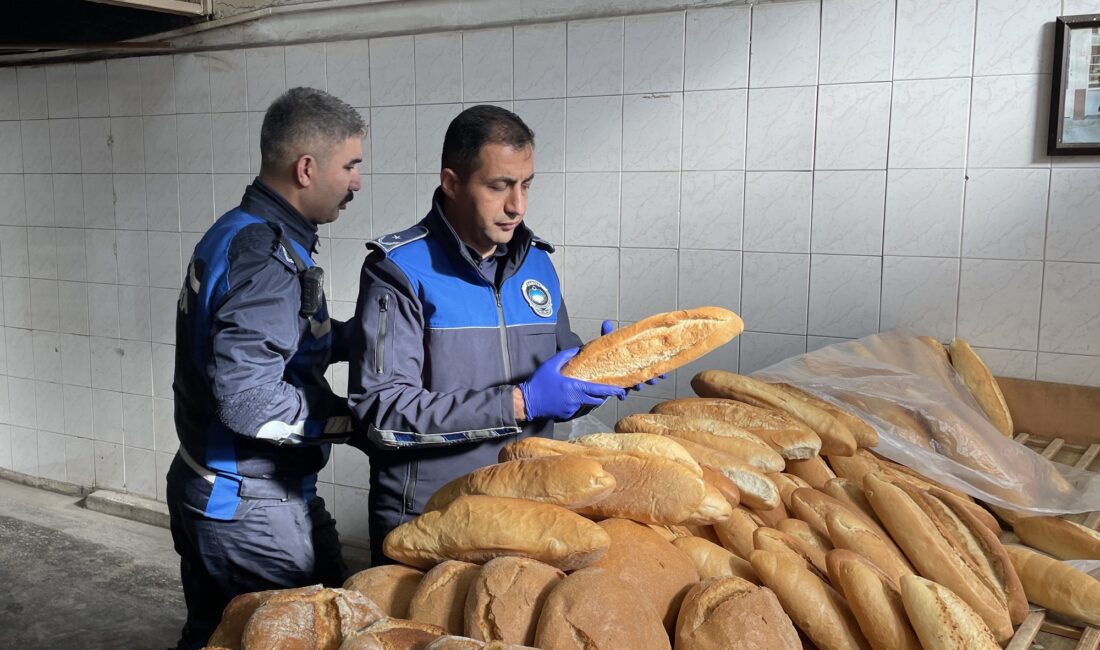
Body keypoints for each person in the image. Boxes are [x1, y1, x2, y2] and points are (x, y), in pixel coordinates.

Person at [347, 105, 652, 566]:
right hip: (432, 520)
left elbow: (556, 384)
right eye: (499, 186)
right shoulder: (399, 270)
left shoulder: (537, 263)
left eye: (526, 184)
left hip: (530, 511)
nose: (518, 206)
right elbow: (384, 413)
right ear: (451, 182)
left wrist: (599, 372)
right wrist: (520, 403)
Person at [166, 87, 365, 649]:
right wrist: (353, 423)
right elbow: (250, 400)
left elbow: (285, 343)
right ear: (307, 168)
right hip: (246, 508)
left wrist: (372, 335)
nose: (356, 181)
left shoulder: (239, 230)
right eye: (350, 165)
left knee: (216, 636)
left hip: (222, 488)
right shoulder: (267, 256)